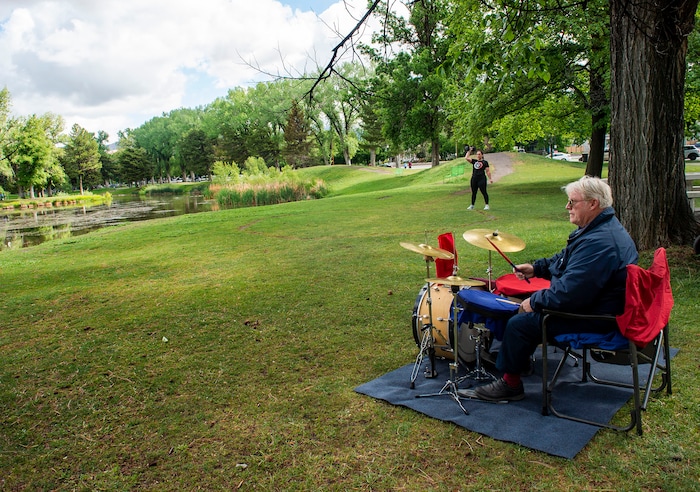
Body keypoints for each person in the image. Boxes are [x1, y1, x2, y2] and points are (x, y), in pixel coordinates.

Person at [467, 175, 638, 401]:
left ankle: (511, 384)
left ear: (593, 203)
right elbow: (565, 260)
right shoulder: (597, 229)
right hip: (597, 305)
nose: (567, 207)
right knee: (525, 309)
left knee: (519, 322)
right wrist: (536, 268)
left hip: (595, 316)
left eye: (572, 202)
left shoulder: (600, 242)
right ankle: (520, 361)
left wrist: (534, 301)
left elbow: (571, 294)